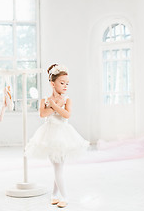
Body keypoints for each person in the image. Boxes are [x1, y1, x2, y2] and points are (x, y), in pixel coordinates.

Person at [24, 63, 90, 208]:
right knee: (57, 166)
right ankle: (58, 195)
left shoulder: (67, 100)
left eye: (67, 83)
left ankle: (59, 195)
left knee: (58, 167)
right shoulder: (44, 100)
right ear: (52, 83)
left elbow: (66, 114)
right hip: (49, 135)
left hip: (64, 135)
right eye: (62, 83)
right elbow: (43, 114)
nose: (65, 86)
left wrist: (54, 106)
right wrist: (52, 105)